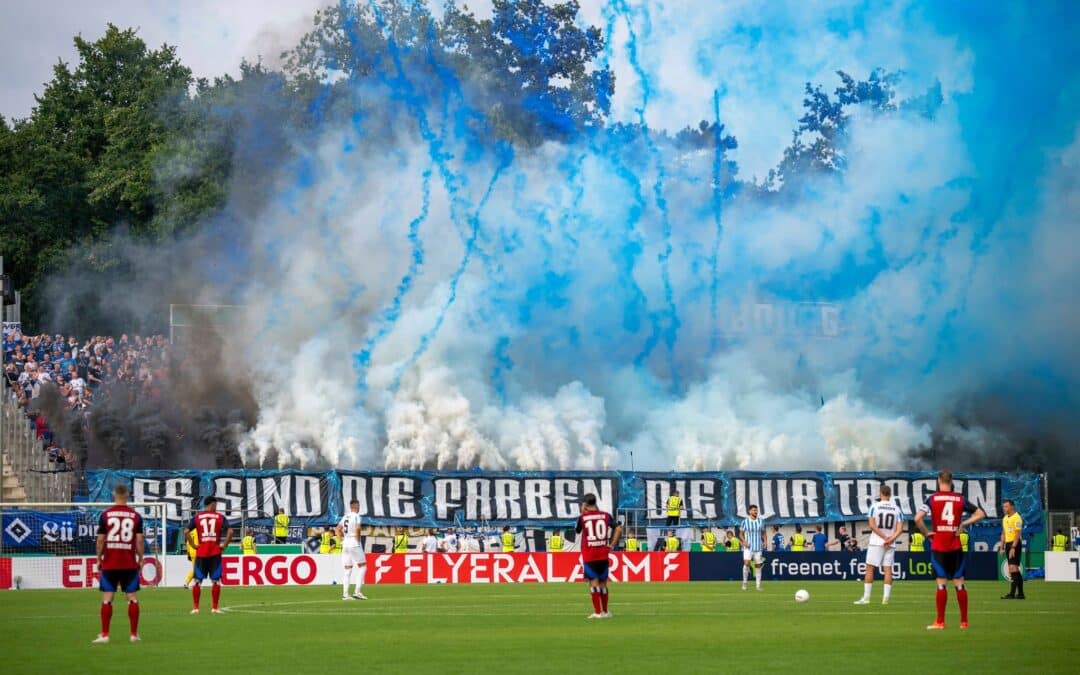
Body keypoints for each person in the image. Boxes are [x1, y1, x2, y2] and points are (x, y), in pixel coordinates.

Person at [915, 470, 986, 630]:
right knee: (959, 583)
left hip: (939, 546)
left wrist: (926, 533)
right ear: (951, 481)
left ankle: (940, 622)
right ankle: (964, 622)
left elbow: (917, 518)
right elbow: (981, 514)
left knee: (941, 584)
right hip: (955, 546)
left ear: (939, 480)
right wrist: (964, 524)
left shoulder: (932, 499)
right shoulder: (960, 499)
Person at [92, 484, 144, 644]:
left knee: (107, 598)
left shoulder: (106, 515)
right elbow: (139, 540)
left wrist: (99, 558)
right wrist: (140, 558)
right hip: (129, 563)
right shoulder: (135, 516)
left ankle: (105, 634)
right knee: (132, 598)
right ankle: (134, 634)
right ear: (127, 495)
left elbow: (100, 540)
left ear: (114, 495)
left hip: (110, 563)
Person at [184, 496, 234, 614]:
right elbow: (230, 531)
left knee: (197, 581)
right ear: (212, 504)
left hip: (201, 552)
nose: (216, 507)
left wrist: (193, 545)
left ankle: (196, 608)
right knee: (216, 581)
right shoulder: (220, 517)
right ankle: (215, 607)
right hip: (215, 552)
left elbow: (186, 531)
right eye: (215, 505)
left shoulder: (197, 517)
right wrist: (224, 545)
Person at [854, 485, 903, 605]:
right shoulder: (897, 509)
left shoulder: (874, 507)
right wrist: (891, 539)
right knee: (888, 570)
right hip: (890, 544)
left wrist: (883, 537)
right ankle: (885, 599)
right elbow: (900, 529)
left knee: (870, 568)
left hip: (876, 542)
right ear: (890, 494)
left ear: (881, 493)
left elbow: (872, 525)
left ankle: (866, 598)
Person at [576, 492, 621, 619]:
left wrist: (582, 512)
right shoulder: (605, 516)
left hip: (590, 555)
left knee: (593, 583)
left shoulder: (583, 518)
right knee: (603, 583)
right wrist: (611, 545)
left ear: (584, 504)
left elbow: (578, 530)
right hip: (603, 554)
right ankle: (606, 612)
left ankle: (597, 612)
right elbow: (618, 529)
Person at [336, 499, 367, 600]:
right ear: (356, 506)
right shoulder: (356, 516)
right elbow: (358, 528)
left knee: (348, 569)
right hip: (354, 542)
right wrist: (358, 540)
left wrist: (341, 540)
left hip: (345, 543)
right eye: (358, 506)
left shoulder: (345, 516)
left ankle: (345, 594)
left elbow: (337, 529)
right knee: (363, 566)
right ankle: (357, 592)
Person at [1000, 499, 1025, 600]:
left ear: (1012, 507)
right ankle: (1021, 594)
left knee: (1012, 568)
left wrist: (1013, 547)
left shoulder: (1017, 518)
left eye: (1006, 506)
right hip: (1008, 544)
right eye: (1004, 506)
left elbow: (1017, 534)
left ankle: (1012, 593)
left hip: (1015, 544)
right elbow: (1003, 533)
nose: (1004, 508)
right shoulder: (1005, 518)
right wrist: (1001, 547)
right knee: (1014, 569)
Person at [739, 505, 766, 591]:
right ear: (749, 511)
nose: (756, 512)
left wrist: (765, 542)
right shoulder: (745, 522)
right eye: (754, 510)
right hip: (748, 547)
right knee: (746, 563)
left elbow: (764, 533)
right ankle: (745, 583)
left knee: (758, 566)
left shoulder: (761, 521)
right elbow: (741, 534)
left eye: (756, 510)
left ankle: (758, 586)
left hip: (758, 547)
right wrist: (744, 541)